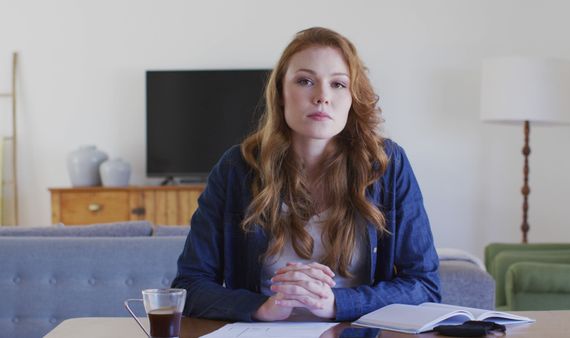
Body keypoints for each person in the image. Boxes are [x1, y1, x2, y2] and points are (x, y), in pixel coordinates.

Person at [172, 27, 440, 322]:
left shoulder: (387, 164)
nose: (322, 96)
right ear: (281, 94)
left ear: (353, 97)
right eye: (305, 81)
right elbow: (190, 286)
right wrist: (263, 307)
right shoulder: (237, 167)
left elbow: (424, 286)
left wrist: (337, 304)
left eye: (338, 84)